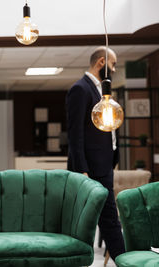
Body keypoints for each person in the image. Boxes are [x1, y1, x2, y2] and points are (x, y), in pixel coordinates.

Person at [66, 46, 125, 261]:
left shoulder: (102, 91)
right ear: (101, 62)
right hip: (89, 169)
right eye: (113, 64)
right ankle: (124, 260)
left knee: (107, 218)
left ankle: (122, 258)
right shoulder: (80, 89)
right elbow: (75, 134)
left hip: (104, 164)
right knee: (105, 218)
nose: (114, 69)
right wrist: (81, 169)